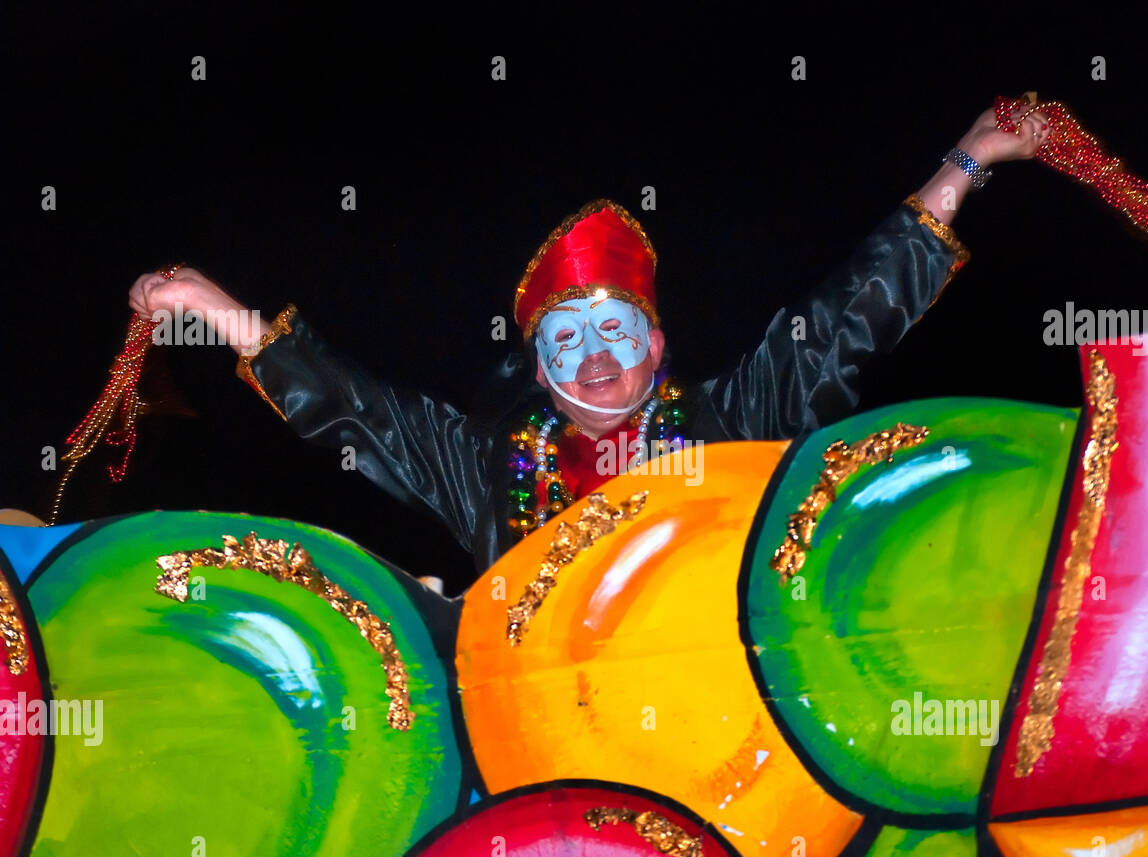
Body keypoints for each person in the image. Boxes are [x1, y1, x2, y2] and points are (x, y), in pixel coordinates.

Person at [128, 102, 1052, 578]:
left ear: (657, 347)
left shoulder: (737, 418)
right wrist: (212, 305)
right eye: (570, 339)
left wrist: (965, 163)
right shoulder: (486, 465)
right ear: (539, 366)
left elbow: (844, 318)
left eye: (618, 330)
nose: (599, 354)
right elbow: (362, 412)